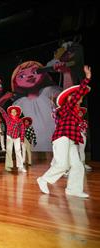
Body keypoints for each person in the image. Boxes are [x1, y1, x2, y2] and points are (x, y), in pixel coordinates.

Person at [37, 65, 92, 198]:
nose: (77, 98)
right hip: (62, 137)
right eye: (73, 96)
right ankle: (43, 179)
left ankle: (73, 189)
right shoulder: (66, 108)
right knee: (63, 164)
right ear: (69, 99)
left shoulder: (75, 112)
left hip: (71, 139)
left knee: (78, 166)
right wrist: (87, 79)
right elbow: (78, 94)